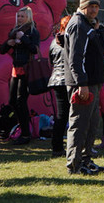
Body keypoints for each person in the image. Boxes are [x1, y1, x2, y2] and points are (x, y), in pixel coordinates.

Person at [64, 0, 104, 175]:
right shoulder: (78, 25)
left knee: (91, 124)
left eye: (96, 6)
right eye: (90, 6)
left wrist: (98, 30)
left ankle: (86, 159)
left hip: (94, 81)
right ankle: (74, 164)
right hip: (83, 82)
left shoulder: (89, 25)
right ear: (83, 6)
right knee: (80, 124)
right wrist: (81, 83)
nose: (94, 10)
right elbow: (75, 58)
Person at [0, 6, 40, 145]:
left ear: (28, 17)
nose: (20, 18)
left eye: (22, 16)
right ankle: (22, 129)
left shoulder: (33, 31)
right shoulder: (14, 31)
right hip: (15, 68)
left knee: (21, 100)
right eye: (18, 16)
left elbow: (35, 49)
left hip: (26, 68)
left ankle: (26, 134)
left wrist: (24, 39)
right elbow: (2, 50)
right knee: (12, 101)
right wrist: (8, 43)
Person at [48, 15, 71, 157]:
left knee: (60, 116)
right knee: (72, 115)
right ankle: (70, 146)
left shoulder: (53, 42)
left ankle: (56, 147)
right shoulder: (71, 40)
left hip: (56, 79)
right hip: (69, 80)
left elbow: (51, 59)